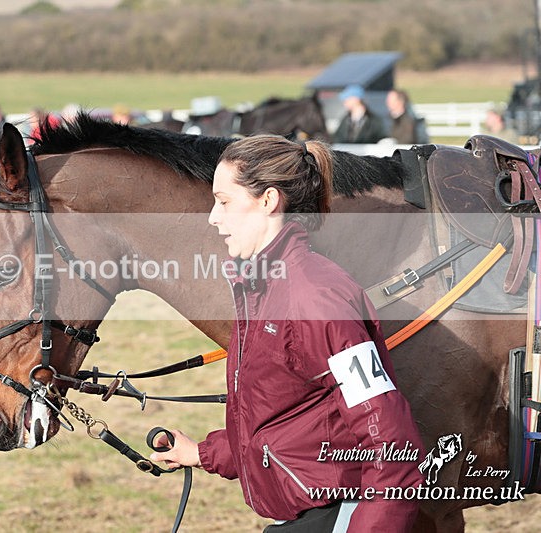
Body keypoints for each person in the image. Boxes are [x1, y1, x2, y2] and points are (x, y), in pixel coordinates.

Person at [149, 136, 424, 532]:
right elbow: (287, 419)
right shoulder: (261, 288)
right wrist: (204, 453)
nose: (213, 218)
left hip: (339, 514)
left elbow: (393, 444)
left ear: (268, 201)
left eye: (224, 201)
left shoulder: (315, 299)